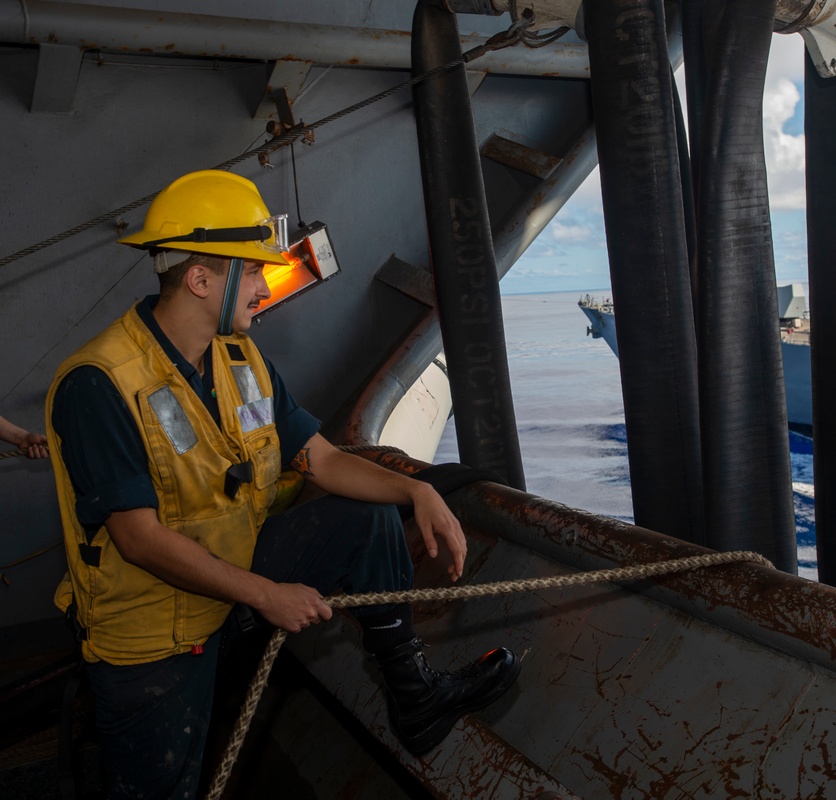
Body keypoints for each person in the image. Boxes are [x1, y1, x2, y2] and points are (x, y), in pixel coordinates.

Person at [46, 170, 520, 799]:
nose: (265, 285)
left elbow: (321, 461)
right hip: (154, 630)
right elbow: (139, 540)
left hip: (232, 577)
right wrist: (266, 594)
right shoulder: (99, 383)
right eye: (252, 270)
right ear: (200, 279)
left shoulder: (239, 359)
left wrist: (418, 492)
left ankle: (416, 697)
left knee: (366, 517)